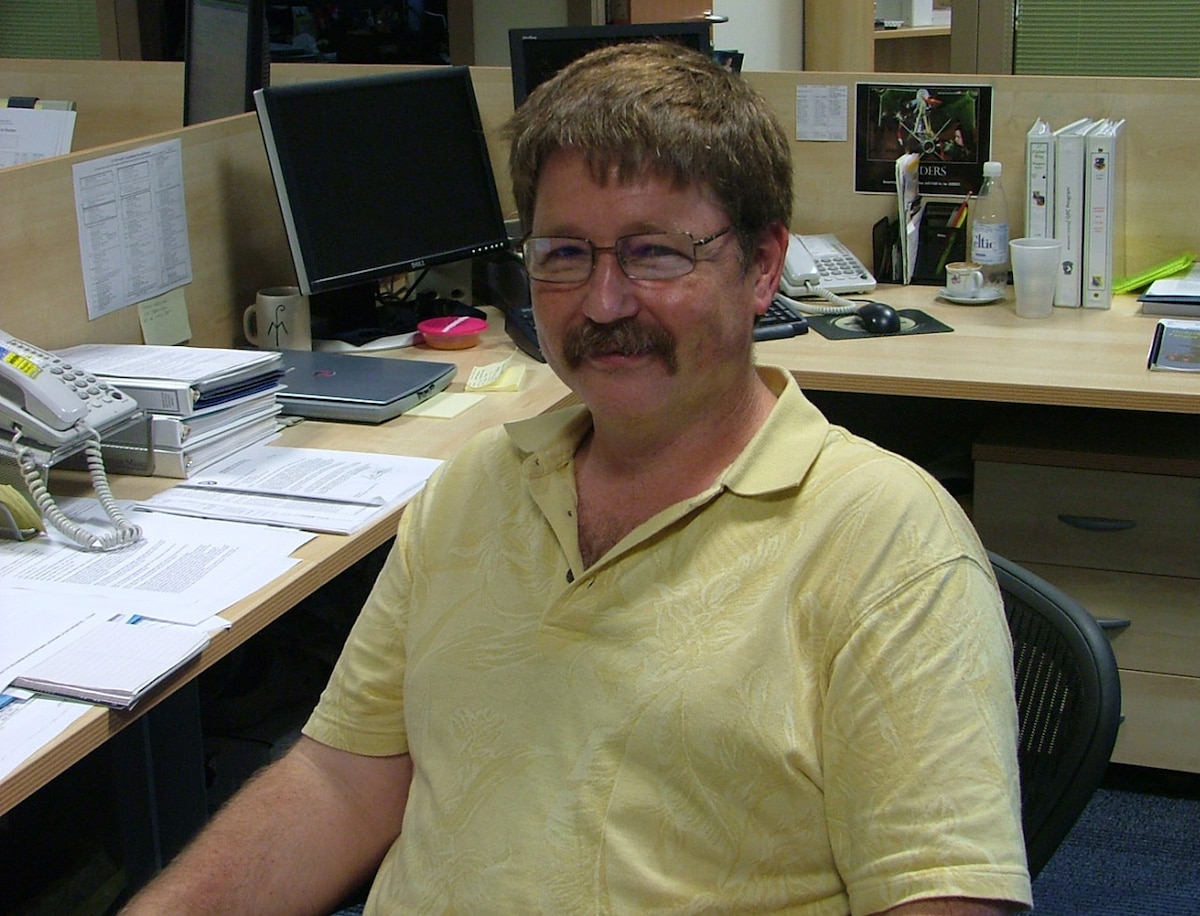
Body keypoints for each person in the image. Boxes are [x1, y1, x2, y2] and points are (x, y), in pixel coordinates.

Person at [123, 43, 1032, 915]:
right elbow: (341, 779)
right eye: (564, 254)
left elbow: (935, 895)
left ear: (762, 266)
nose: (603, 303)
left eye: (655, 252)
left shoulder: (887, 545)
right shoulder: (477, 487)